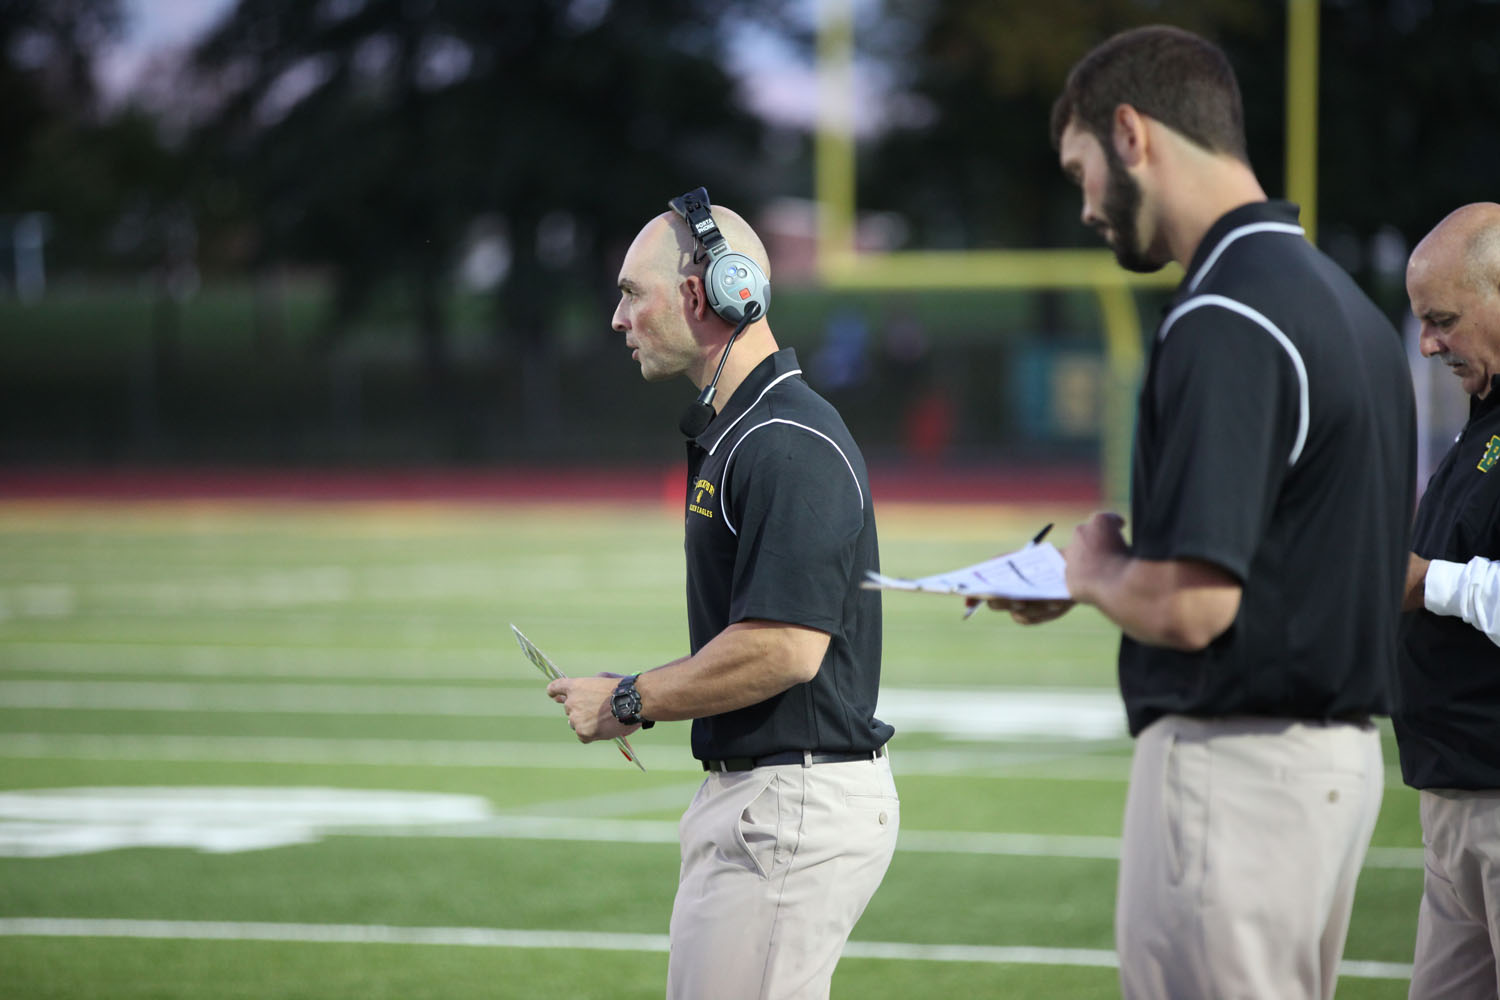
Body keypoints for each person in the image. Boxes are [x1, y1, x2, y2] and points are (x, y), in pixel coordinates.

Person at [986, 25, 1417, 999]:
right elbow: (1291, 561)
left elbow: (1193, 607)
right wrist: (1091, 582)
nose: (1087, 204)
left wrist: (1096, 566)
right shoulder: (1340, 304)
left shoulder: (1226, 311)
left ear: (1131, 133)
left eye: (1081, 167)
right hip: (1330, 776)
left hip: (1238, 777)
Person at [547, 188, 898, 1000]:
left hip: (790, 807)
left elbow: (785, 646)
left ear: (702, 296)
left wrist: (630, 700)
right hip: (770, 800)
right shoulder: (746, 429)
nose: (616, 317)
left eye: (632, 293)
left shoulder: (782, 440)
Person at [1395, 202, 1500, 999]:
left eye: (1443, 319)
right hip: (1455, 793)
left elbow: (1445, 579)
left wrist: (1421, 580)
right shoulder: (1485, 413)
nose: (1428, 342)